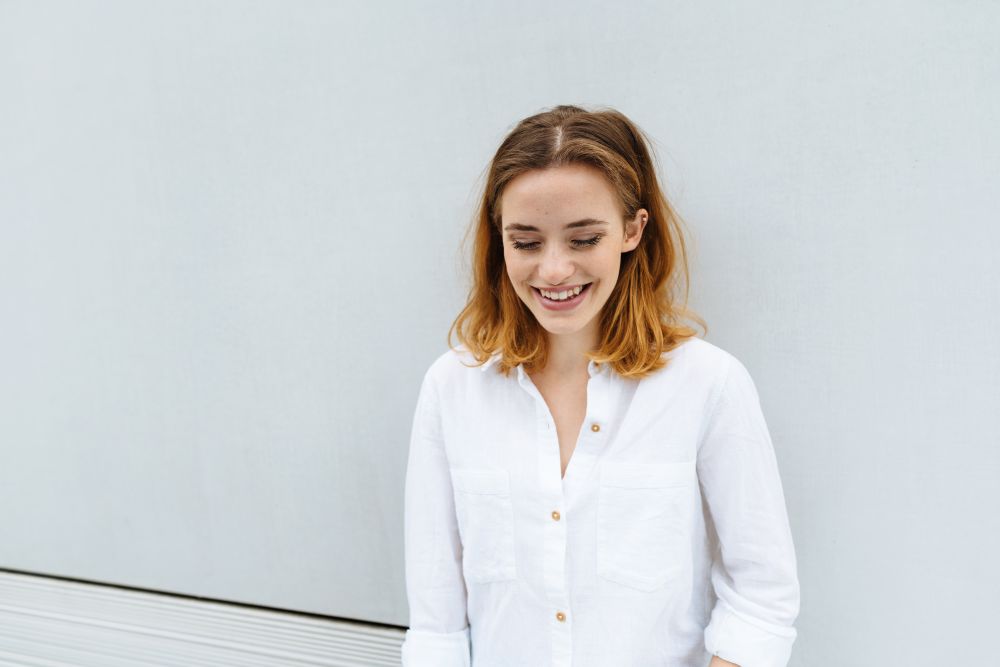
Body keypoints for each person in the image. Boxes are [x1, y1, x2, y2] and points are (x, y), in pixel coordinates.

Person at [401, 104, 799, 667]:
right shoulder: (451, 388)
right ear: (500, 240)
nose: (555, 270)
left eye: (584, 239)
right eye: (527, 242)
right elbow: (436, 622)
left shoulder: (709, 385)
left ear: (633, 230)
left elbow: (761, 600)